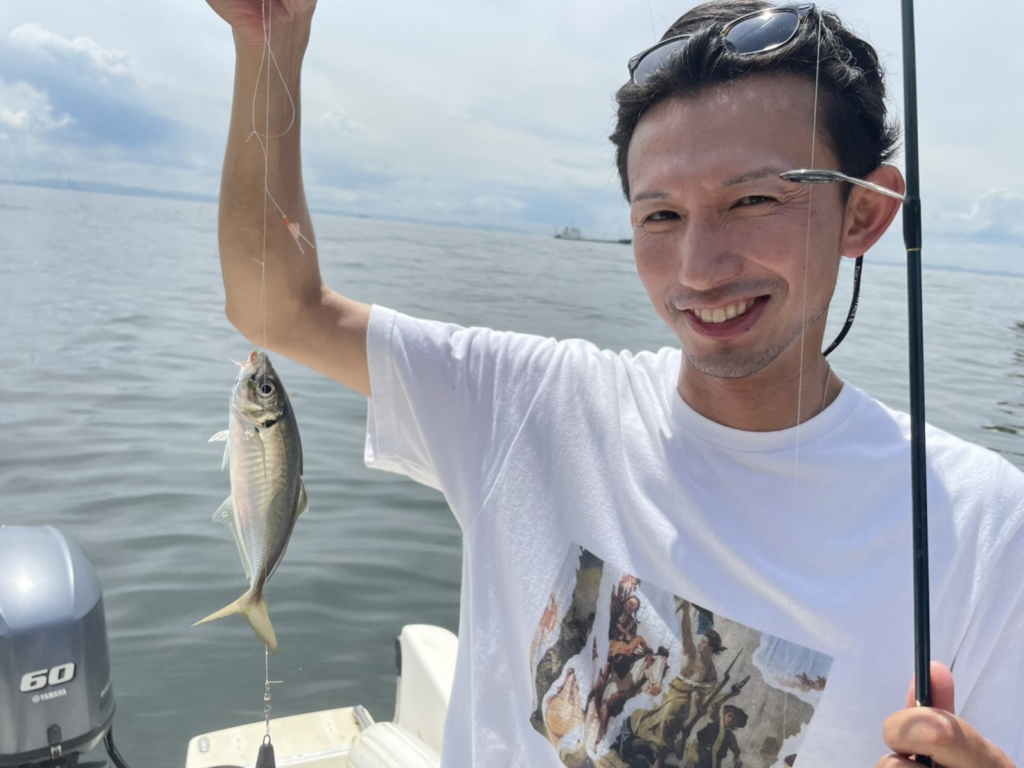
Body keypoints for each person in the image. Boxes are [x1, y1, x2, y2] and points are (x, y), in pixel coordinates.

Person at [206, 0, 1023, 766]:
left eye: (754, 199)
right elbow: (278, 308)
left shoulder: (984, 529)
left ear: (865, 216)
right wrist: (269, 42)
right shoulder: (527, 404)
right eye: (659, 215)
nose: (698, 269)